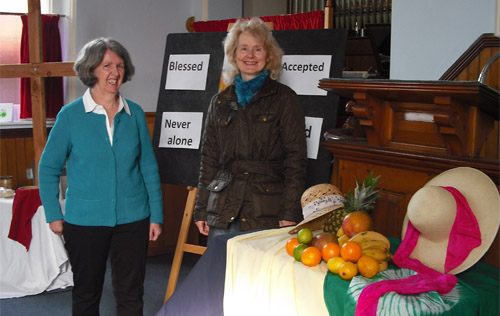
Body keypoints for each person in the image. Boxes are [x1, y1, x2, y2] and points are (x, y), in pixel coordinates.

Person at [38, 37, 163, 316]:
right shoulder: (70, 116)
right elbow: (48, 168)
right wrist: (52, 213)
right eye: (107, 65)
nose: (115, 72)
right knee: (86, 294)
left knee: (131, 294)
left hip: (134, 218)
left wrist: (156, 215)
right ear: (92, 69)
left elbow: (149, 168)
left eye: (119, 65)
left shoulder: (135, 114)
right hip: (84, 220)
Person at [193, 17, 307, 244]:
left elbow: (296, 160)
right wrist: (201, 208)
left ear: (269, 55)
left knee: (260, 277)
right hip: (223, 207)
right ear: (234, 54)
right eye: (243, 48)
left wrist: (289, 211)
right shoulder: (219, 102)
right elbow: (210, 160)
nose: (250, 55)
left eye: (257, 49)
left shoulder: (285, 99)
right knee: (222, 274)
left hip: (266, 209)